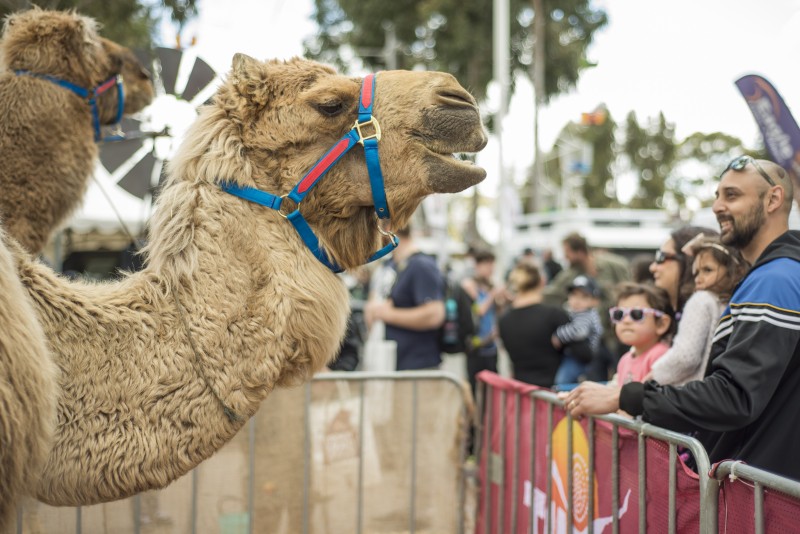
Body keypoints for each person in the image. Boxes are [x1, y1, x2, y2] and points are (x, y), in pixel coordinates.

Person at [563, 157, 800, 480]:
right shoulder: (774, 274)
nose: (717, 206)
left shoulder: (775, 278)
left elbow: (735, 396)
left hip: (763, 491)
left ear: (773, 199)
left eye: (731, 195)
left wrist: (624, 395)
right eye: (717, 195)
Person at [648, 234, 748, 385]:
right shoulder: (739, 304)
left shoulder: (701, 300)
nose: (698, 278)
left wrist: (653, 376)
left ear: (734, 270)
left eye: (707, 270)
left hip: (690, 393)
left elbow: (685, 356)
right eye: (696, 272)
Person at [544, 232, 631, 380]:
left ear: (579, 252)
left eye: (568, 253)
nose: (565, 258)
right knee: (597, 378)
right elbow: (550, 294)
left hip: (616, 334)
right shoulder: (571, 274)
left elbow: (628, 291)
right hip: (595, 341)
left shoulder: (613, 265)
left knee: (622, 374)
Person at [365, 225, 445, 370]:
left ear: (388, 228)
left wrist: (386, 314)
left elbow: (434, 315)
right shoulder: (388, 265)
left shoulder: (421, 265)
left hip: (417, 369)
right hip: (389, 364)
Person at [498, 262, 576, 387]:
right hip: (553, 393)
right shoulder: (553, 315)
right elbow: (583, 353)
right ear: (543, 281)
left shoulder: (504, 320)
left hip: (522, 393)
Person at [610, 283, 674, 386]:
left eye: (637, 314)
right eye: (619, 314)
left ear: (661, 324)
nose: (626, 321)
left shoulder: (660, 355)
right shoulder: (624, 360)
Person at [460, 249, 500, 395]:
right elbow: (479, 310)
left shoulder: (490, 285)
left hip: (491, 344)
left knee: (493, 390)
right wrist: (493, 294)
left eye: (492, 264)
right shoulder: (469, 284)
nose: (491, 269)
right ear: (478, 265)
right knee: (474, 389)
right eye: (488, 264)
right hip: (476, 346)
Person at [552, 275, 603, 386]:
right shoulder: (578, 312)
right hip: (575, 355)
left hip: (581, 358)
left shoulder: (586, 314)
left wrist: (558, 336)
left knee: (562, 382)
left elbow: (580, 331)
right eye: (574, 295)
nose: (577, 301)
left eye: (584, 297)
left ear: (594, 301)